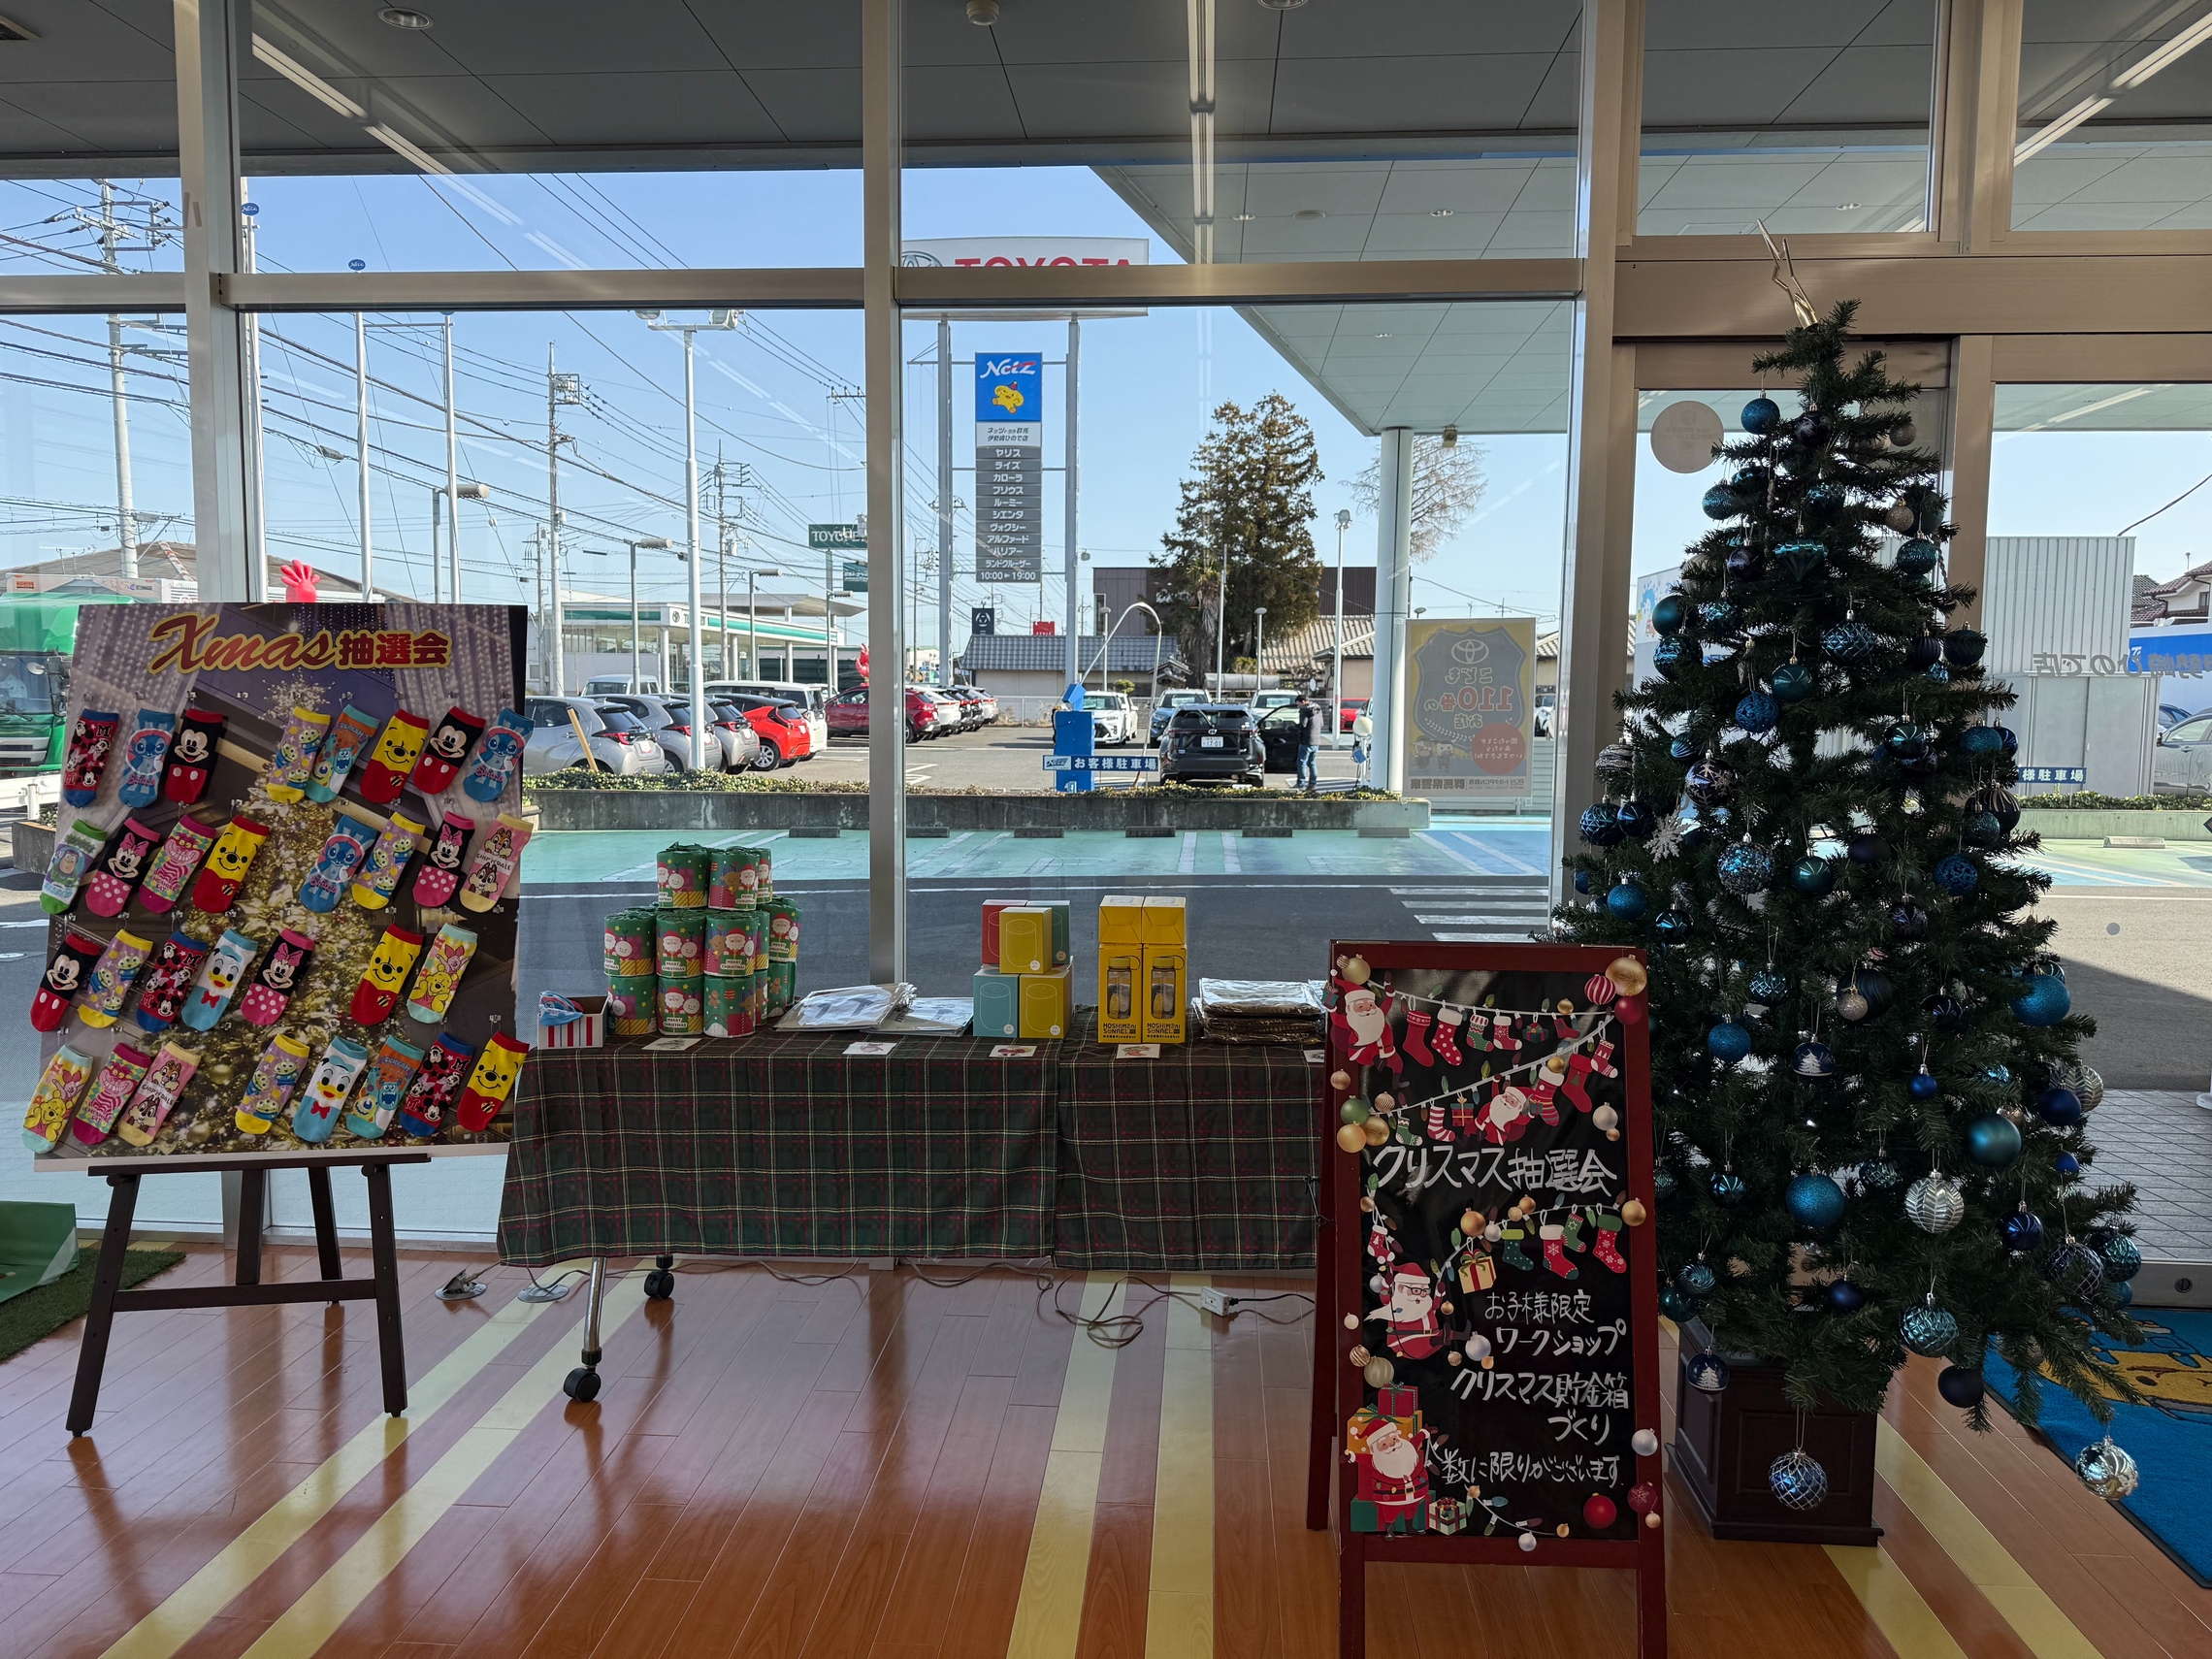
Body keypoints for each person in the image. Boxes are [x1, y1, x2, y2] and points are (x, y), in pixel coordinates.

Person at [1295, 692, 1327, 795]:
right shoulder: (1318, 709)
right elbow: (1321, 723)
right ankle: (1313, 783)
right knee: (1312, 762)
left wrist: (1292, 727)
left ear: (1303, 702)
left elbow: (1303, 725)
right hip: (1316, 740)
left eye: (1298, 704)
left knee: (1302, 762)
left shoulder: (1304, 710)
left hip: (1306, 740)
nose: (1298, 706)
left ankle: (1301, 783)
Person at [1351, 705, 1374, 786]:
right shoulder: (1362, 716)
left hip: (1366, 736)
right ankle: (1363, 780)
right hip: (1366, 736)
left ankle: (1364, 780)